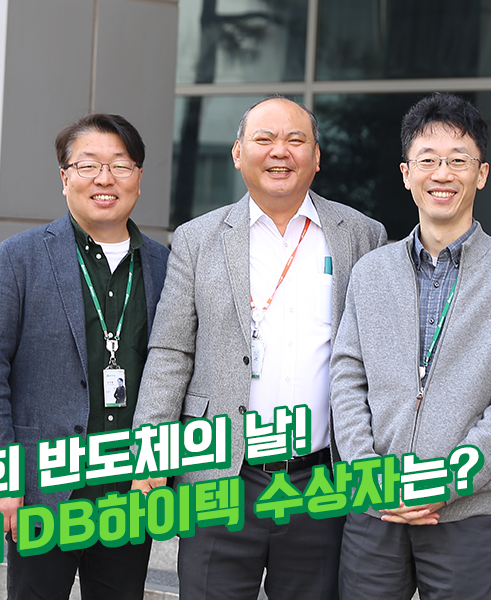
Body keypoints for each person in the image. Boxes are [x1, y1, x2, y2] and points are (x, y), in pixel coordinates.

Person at [132, 96, 387, 599]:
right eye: (264, 139)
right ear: (237, 153)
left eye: (295, 140)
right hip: (220, 477)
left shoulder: (362, 235)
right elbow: (171, 352)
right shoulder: (198, 239)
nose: (280, 152)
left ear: (317, 156)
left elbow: (379, 358)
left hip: (320, 481)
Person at [329, 92, 491, 600]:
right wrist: (369, 474)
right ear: (407, 174)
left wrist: (444, 483)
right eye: (428, 160)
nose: (442, 174)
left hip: (467, 512)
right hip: (375, 506)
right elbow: (346, 376)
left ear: (482, 173)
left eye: (458, 161)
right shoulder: (371, 271)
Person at [0, 113, 170, 600]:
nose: (104, 178)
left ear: (139, 176)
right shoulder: (19, 257)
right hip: (43, 488)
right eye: (88, 165)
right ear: (64, 177)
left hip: (130, 489)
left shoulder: (165, 264)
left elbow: (174, 369)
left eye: (120, 165)